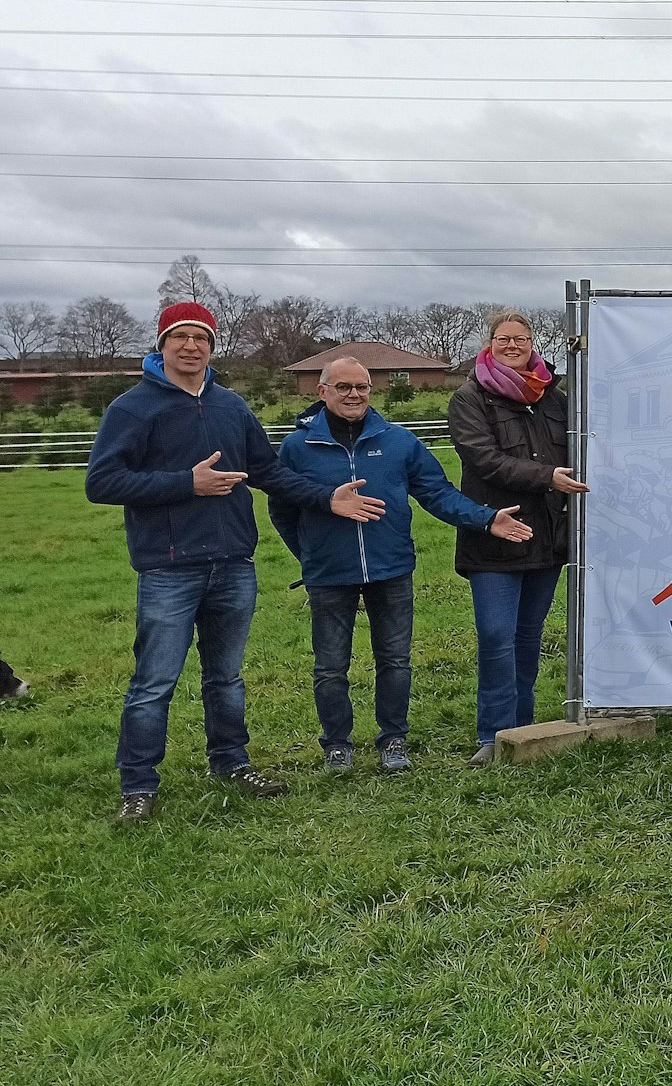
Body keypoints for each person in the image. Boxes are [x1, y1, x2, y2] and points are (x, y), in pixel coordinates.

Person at [85, 302, 385, 823]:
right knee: (154, 681)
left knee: (226, 678)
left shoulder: (230, 406)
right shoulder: (132, 409)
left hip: (233, 565)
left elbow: (269, 471)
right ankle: (138, 784)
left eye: (200, 337)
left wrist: (326, 498)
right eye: (179, 336)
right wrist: (186, 483)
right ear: (161, 344)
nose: (190, 346)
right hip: (169, 567)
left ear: (211, 346)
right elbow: (101, 482)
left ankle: (230, 762)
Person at [272, 357, 534, 776]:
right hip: (328, 574)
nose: (354, 395)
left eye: (361, 386)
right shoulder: (297, 447)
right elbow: (282, 509)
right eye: (343, 387)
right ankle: (336, 745)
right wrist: (309, 554)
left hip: (391, 569)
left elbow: (439, 494)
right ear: (321, 392)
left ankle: (393, 739)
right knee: (330, 665)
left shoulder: (398, 441)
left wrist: (487, 519)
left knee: (395, 660)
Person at [448, 310, 588, 767]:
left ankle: (521, 729)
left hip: (546, 537)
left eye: (521, 338)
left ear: (532, 343)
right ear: (489, 343)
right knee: (495, 634)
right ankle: (492, 733)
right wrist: (548, 476)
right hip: (495, 536)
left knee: (529, 636)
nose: (513, 345)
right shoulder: (470, 398)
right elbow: (483, 459)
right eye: (504, 338)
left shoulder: (556, 398)